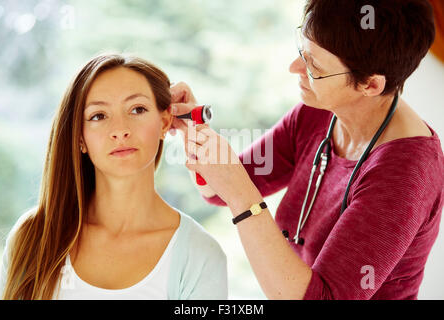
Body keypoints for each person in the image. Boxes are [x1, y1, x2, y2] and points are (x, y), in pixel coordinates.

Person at [169, 0, 443, 299]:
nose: (294, 68)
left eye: (314, 66)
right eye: (303, 51)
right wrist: (194, 128)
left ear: (370, 84)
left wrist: (240, 195)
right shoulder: (319, 111)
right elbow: (218, 189)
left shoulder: (405, 174)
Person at [0, 54, 227, 300]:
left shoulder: (200, 255)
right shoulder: (32, 237)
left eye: (137, 109)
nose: (120, 130)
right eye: (98, 116)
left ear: (164, 122)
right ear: (80, 138)